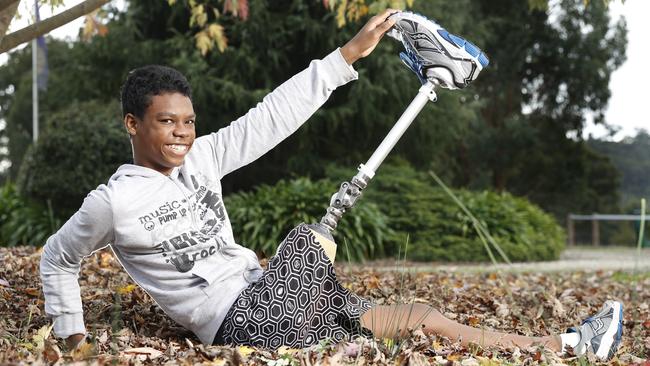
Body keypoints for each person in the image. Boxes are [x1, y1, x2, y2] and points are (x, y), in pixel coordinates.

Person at [39, 9, 623, 361]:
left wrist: (347, 55)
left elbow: (271, 116)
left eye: (188, 121)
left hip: (274, 294)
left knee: (416, 316)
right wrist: (72, 338)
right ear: (132, 123)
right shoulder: (114, 201)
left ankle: (568, 348)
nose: (182, 133)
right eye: (167, 122)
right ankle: (314, 263)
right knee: (305, 242)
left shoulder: (204, 156)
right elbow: (56, 259)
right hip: (234, 322)